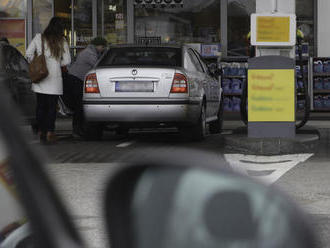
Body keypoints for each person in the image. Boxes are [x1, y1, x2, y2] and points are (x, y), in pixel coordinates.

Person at [26, 17, 71, 143]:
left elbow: (28, 53)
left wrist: (37, 63)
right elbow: (67, 61)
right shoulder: (62, 40)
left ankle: (41, 131)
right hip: (55, 80)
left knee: (40, 106)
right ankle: (50, 132)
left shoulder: (39, 37)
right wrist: (56, 63)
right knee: (52, 107)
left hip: (40, 78)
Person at [65, 36, 107, 136]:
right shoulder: (90, 54)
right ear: (98, 45)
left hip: (75, 79)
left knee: (79, 105)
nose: (103, 49)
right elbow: (97, 66)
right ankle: (77, 129)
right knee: (79, 105)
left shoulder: (88, 51)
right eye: (103, 47)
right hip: (76, 80)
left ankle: (78, 129)